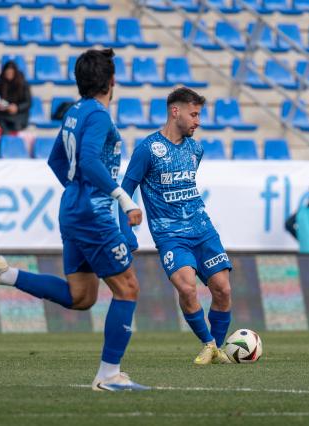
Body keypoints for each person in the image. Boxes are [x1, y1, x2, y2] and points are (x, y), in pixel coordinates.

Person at [0, 48, 149, 392]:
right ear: (111, 81)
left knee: (82, 296)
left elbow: (56, 160)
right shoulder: (99, 116)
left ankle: (3, 273)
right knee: (128, 288)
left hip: (73, 208)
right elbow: (88, 160)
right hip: (93, 213)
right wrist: (121, 198)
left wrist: (77, 191)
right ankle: (109, 375)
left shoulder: (74, 111)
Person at [120, 87, 233, 365]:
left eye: (199, 115)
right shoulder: (148, 149)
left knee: (223, 290)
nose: (198, 121)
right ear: (175, 111)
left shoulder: (196, 149)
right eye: (193, 115)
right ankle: (208, 344)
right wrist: (126, 228)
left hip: (202, 229)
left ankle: (217, 350)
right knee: (187, 288)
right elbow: (125, 190)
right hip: (170, 235)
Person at [0, 61, 31, 134]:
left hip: (19, 114)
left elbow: (28, 102)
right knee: (1, 125)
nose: (9, 75)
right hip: (2, 113)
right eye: (7, 73)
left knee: (16, 125)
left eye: (11, 73)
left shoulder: (23, 84)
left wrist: (17, 108)